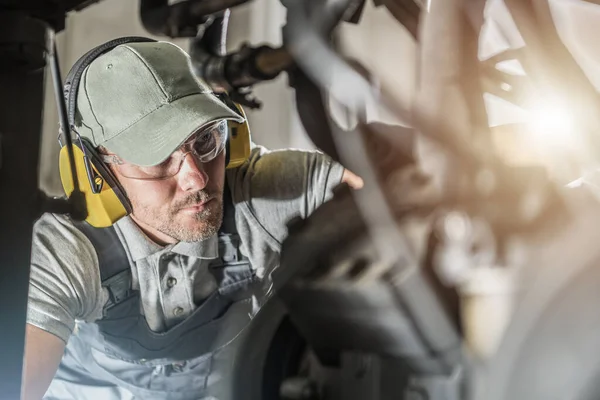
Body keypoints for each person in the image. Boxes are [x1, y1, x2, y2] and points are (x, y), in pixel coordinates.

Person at [22, 39, 362, 400]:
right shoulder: (66, 251)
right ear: (95, 172)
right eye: (157, 158)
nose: (197, 179)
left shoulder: (260, 193)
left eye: (205, 140)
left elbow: (395, 190)